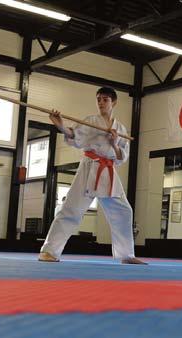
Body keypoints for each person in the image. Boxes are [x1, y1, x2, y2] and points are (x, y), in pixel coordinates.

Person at [38, 87, 146, 265]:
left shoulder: (121, 129)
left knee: (124, 211)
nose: (101, 103)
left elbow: (121, 157)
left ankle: (126, 254)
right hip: (90, 167)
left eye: (105, 99)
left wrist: (114, 143)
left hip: (109, 170)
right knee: (71, 209)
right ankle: (49, 251)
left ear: (114, 102)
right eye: (99, 99)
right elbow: (74, 135)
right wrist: (60, 126)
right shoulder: (91, 121)